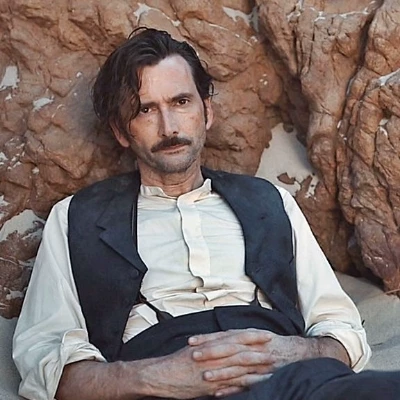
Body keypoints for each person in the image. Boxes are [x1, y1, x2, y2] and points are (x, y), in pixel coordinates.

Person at [12, 27, 399, 400]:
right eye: (146, 110)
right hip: (162, 385)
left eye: (181, 102)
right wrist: (156, 377)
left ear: (206, 111)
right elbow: (45, 360)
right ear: (120, 131)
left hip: (292, 379)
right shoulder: (76, 217)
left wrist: (292, 352)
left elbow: (343, 331)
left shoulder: (270, 201)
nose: (169, 127)